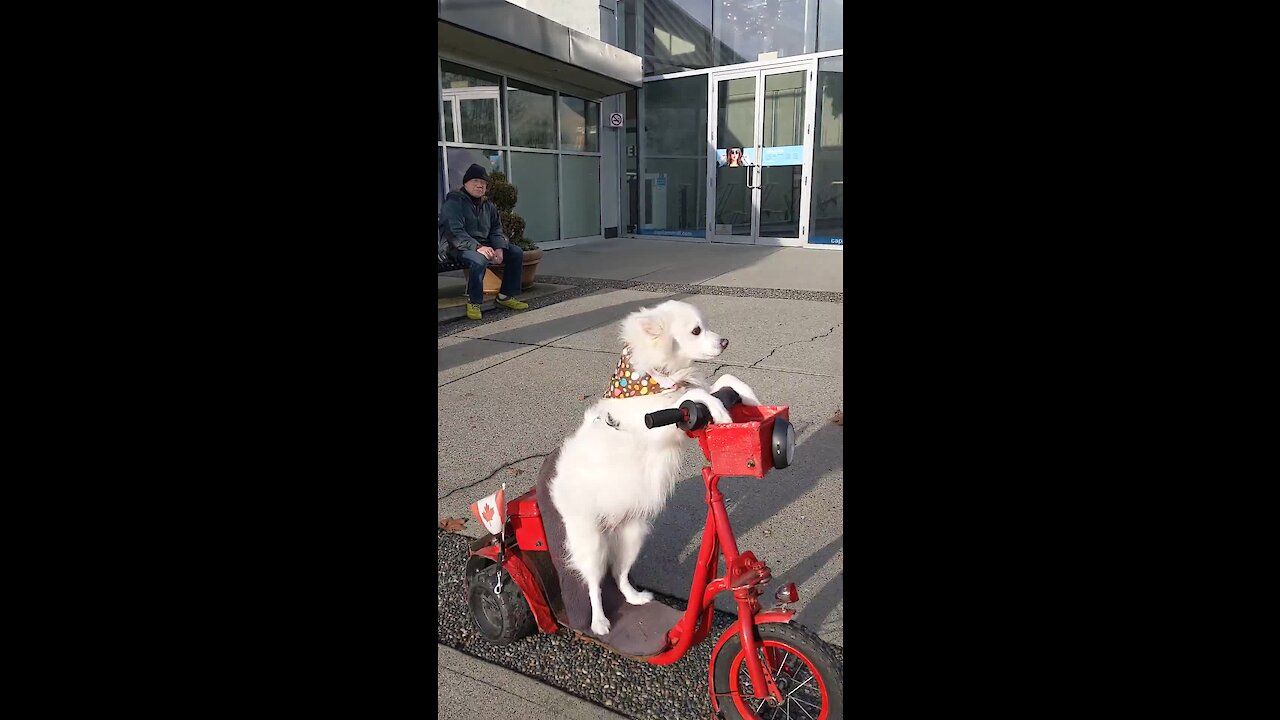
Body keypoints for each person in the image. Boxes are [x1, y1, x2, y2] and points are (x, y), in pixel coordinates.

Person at [438, 164, 529, 320]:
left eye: (483, 182)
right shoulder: (454, 203)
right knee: (479, 260)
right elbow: (454, 232)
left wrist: (499, 248)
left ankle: (504, 297)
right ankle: (474, 302)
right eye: (475, 181)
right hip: (457, 246)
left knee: (515, 253)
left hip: (483, 245)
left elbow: (496, 229)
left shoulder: (488, 206)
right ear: (465, 183)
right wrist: (478, 247)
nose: (479, 185)